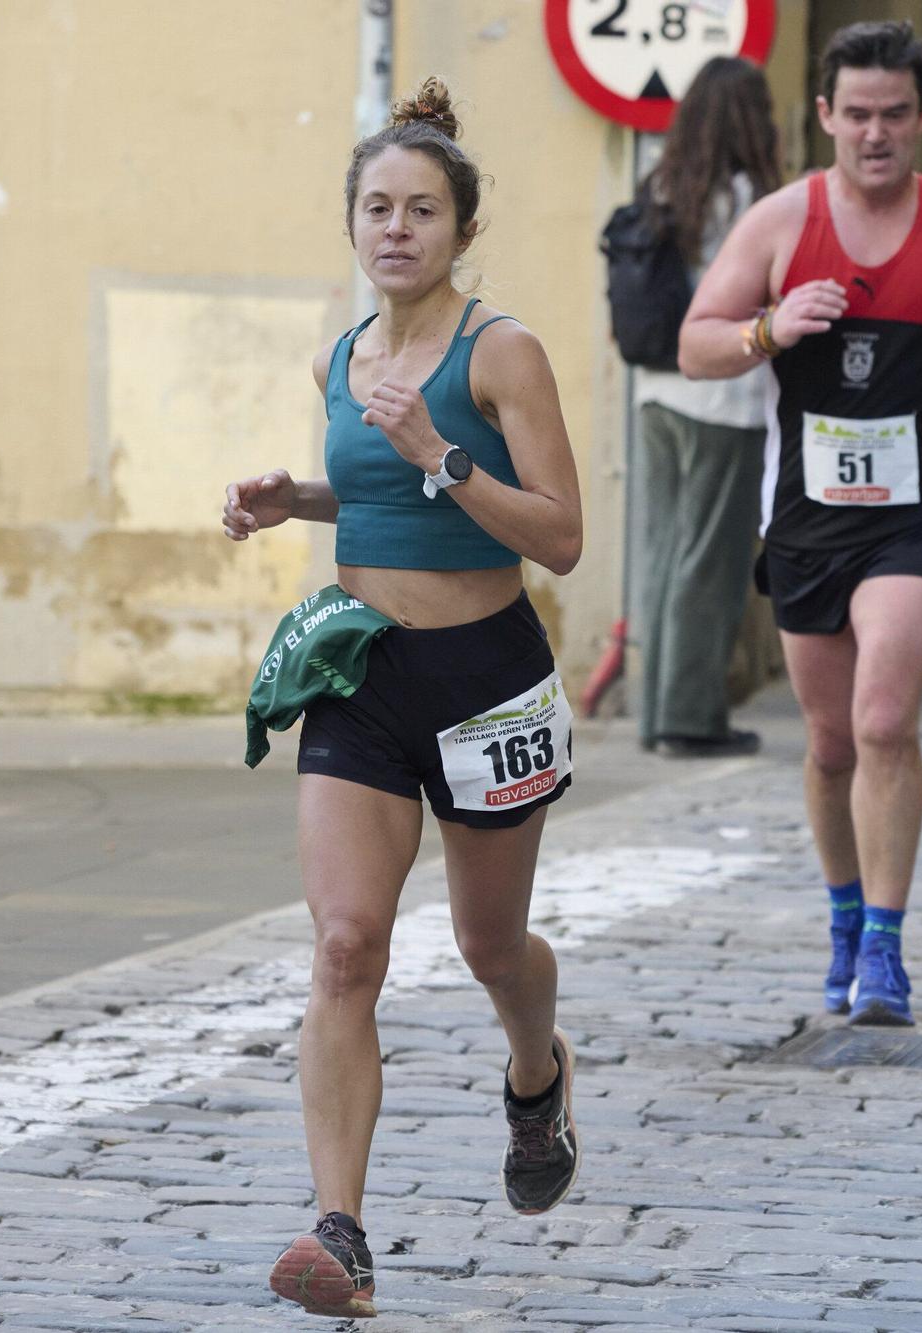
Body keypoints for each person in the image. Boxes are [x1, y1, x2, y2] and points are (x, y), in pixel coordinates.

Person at [221, 78, 584, 1320]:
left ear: (459, 231)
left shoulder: (501, 350)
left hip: (485, 679)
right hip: (363, 674)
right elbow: (377, 496)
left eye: (420, 209)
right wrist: (297, 498)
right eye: (376, 207)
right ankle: (341, 1232)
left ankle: (535, 1075)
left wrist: (445, 454)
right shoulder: (343, 352)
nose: (395, 228)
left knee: (490, 945)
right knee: (343, 946)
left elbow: (562, 534)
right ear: (353, 224)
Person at [677, 20, 922, 1026]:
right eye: (856, 115)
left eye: (895, 114)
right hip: (806, 516)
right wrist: (768, 327)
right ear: (824, 117)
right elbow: (694, 345)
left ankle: (886, 951)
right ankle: (845, 917)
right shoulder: (776, 222)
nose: (876, 133)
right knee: (829, 739)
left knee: (883, 716)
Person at [630, 58, 782, 758]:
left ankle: (658, 715)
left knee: (664, 554)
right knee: (709, 564)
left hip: (658, 389)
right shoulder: (749, 195)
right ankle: (691, 719)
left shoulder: (661, 183)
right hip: (725, 394)